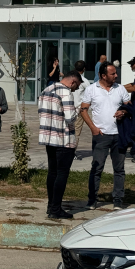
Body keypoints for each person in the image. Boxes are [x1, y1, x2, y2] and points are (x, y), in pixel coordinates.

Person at [80, 62, 131, 210]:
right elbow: (83, 110)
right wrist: (93, 128)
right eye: (113, 73)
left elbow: (129, 106)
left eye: (116, 73)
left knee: (119, 169)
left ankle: (118, 200)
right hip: (101, 135)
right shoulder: (91, 89)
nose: (116, 75)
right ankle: (92, 199)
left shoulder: (120, 89)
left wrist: (124, 112)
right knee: (97, 168)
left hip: (119, 135)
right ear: (103, 75)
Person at [37, 70, 82, 218]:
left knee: (52, 172)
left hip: (48, 137)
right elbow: (70, 118)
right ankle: (56, 209)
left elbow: (40, 111)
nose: (75, 89)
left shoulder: (46, 89)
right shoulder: (66, 93)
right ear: (73, 82)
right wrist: (79, 109)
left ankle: (51, 206)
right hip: (63, 139)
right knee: (62, 174)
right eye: (76, 86)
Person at [72, 60, 91, 160]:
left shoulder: (68, 78)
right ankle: (72, 152)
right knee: (76, 132)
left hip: (67, 109)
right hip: (79, 110)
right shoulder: (84, 81)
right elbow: (90, 95)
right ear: (84, 69)